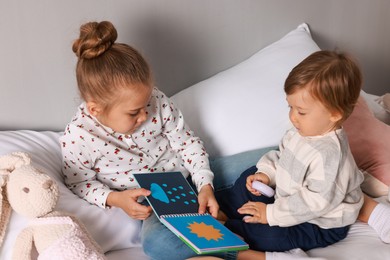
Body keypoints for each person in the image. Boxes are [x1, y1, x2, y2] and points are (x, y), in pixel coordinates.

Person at [60, 20, 269, 260]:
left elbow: (187, 143)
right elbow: (79, 183)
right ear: (95, 110)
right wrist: (115, 198)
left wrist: (205, 185)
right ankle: (249, 255)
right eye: (133, 112)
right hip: (157, 204)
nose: (145, 115)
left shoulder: (156, 101)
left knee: (267, 158)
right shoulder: (78, 138)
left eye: (147, 103)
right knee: (157, 245)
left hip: (192, 175)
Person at [216, 50, 390, 260]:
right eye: (290, 107)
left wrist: (270, 214)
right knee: (249, 175)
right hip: (289, 196)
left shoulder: (331, 156)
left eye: (301, 111)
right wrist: (266, 174)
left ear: (335, 114)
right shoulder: (302, 131)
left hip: (319, 221)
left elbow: (314, 203)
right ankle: (225, 207)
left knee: (274, 237)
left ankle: (231, 229)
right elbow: (281, 157)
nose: (292, 117)